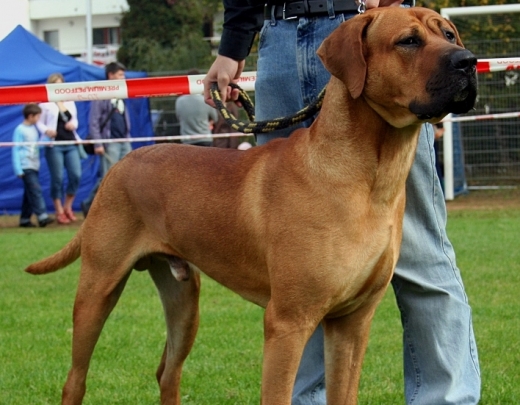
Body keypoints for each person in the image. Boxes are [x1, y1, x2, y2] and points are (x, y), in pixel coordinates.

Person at [203, 1, 481, 404]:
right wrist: (233, 45)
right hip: (280, 36)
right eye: (420, 41)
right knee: (300, 276)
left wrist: (394, 15)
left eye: (449, 38)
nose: (456, 53)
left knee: (422, 255)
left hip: (370, 19)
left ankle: (446, 399)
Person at [81, 61, 132, 217]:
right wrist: (98, 143)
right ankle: (89, 204)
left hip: (123, 140)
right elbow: (94, 121)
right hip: (109, 142)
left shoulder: (121, 95)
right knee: (107, 176)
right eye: (119, 75)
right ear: (110, 75)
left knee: (128, 174)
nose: (123, 78)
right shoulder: (101, 95)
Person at [37, 73, 82, 224]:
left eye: (61, 84)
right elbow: (39, 122)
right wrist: (46, 131)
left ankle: (68, 206)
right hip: (54, 144)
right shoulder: (45, 103)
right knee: (58, 178)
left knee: (75, 175)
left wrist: (73, 125)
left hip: (70, 142)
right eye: (56, 84)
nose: (59, 87)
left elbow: (75, 120)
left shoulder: (70, 101)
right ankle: (59, 211)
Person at [12, 103, 54, 228]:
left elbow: (36, 146)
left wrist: (47, 139)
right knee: (35, 190)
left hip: (34, 165)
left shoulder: (34, 130)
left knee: (29, 193)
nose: (38, 119)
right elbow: (15, 149)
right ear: (30, 116)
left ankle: (24, 219)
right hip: (26, 165)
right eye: (37, 117)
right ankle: (42, 216)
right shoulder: (19, 130)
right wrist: (18, 169)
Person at [175, 69, 219, 147]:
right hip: (205, 138)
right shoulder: (205, 100)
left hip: (187, 140)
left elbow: (179, 118)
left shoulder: (179, 101)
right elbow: (215, 118)